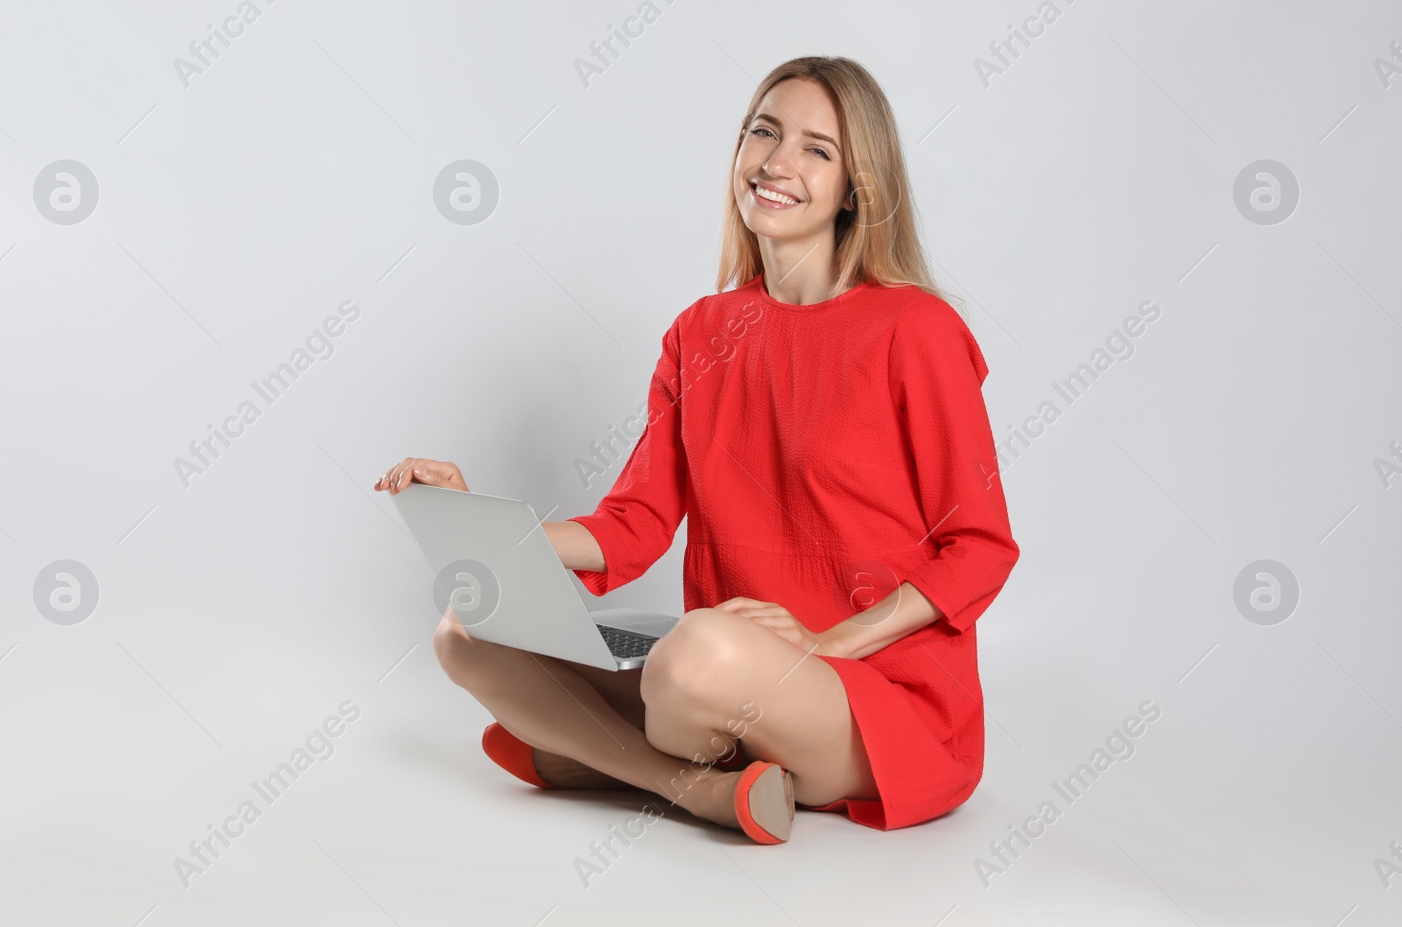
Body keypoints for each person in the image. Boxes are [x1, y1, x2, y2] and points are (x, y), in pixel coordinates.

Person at [376, 55, 1020, 844]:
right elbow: (631, 525)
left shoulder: (916, 330)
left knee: (689, 655)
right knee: (464, 628)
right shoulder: (699, 334)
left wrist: (823, 641)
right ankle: (698, 789)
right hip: (716, 680)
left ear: (859, 186)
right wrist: (476, 526)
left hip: (871, 692)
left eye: (817, 149)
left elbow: (980, 549)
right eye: (764, 132)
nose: (777, 162)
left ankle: (602, 754)